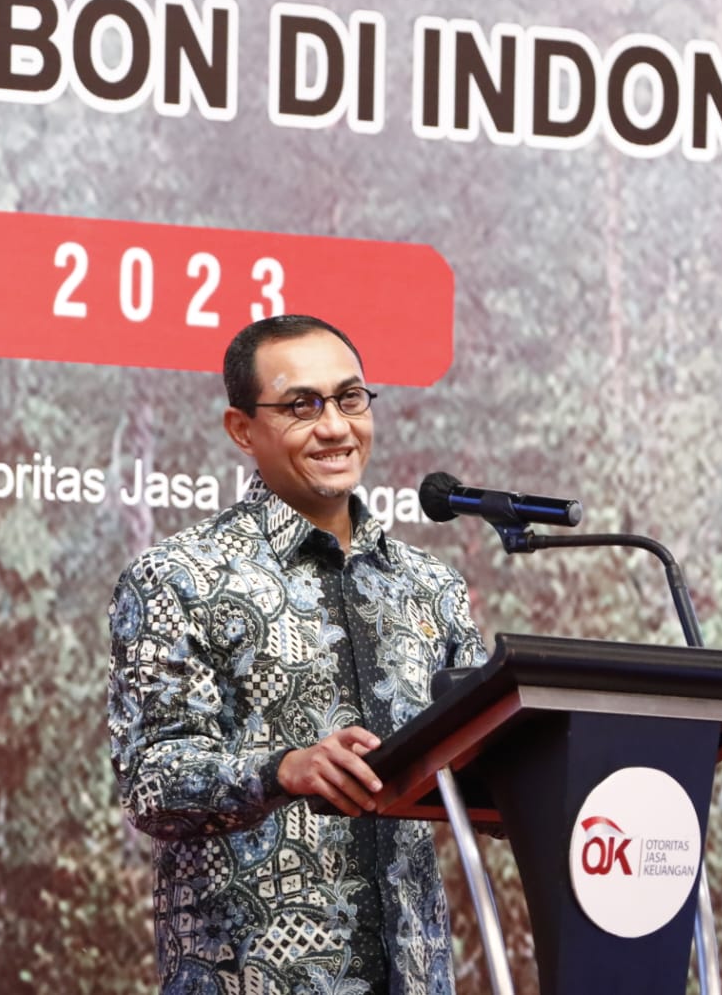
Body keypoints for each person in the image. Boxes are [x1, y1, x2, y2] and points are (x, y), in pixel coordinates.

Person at [106, 315, 487, 995]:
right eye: (302, 406)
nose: (336, 427)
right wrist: (282, 769)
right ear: (242, 429)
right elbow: (151, 781)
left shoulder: (432, 588)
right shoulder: (178, 578)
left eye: (350, 398)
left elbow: (483, 759)